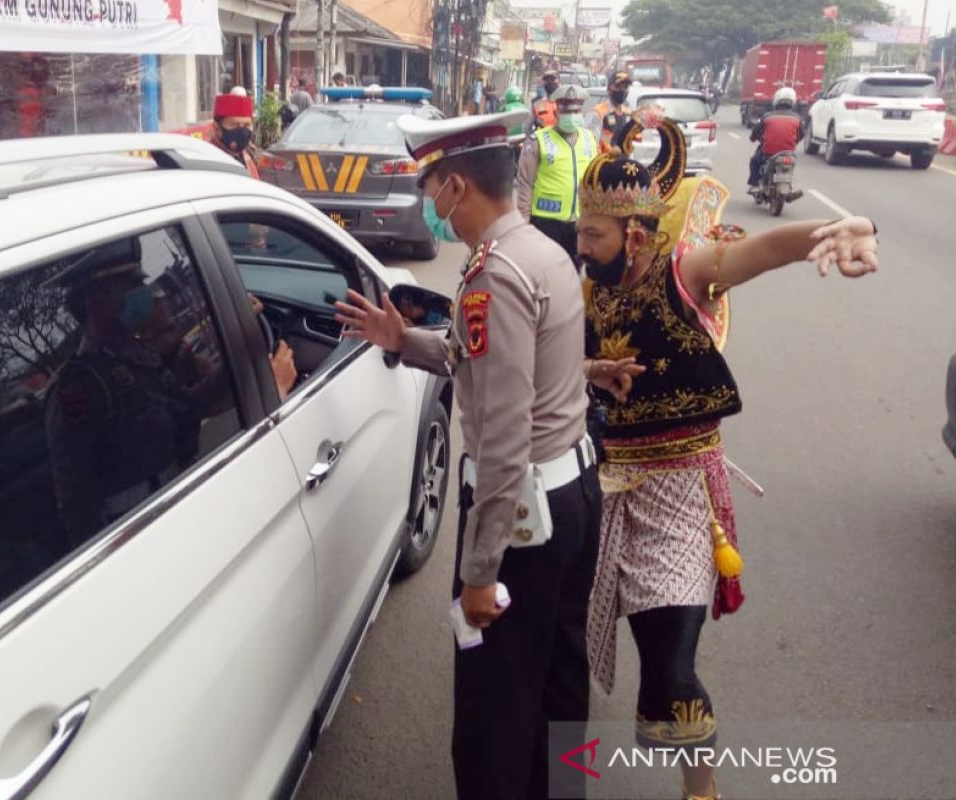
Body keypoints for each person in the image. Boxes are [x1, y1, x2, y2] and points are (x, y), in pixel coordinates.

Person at [576, 109, 879, 800]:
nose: (581, 245)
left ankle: (700, 787)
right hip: (606, 484)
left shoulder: (687, 270)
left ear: (636, 232)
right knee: (573, 633)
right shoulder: (589, 289)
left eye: (592, 233)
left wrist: (826, 232)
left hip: (681, 496)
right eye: (580, 231)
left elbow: (760, 252)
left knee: (670, 667)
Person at [334, 109, 627, 800]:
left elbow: (500, 444)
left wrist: (477, 573)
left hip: (524, 520)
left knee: (494, 714)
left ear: (457, 187)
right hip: (572, 497)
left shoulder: (493, 276)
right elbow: (493, 363)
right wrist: (403, 340)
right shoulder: (541, 251)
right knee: (558, 685)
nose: (426, 202)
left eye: (429, 185)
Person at [44, 241, 204, 545]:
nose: (145, 292)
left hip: (179, 505)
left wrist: (244, 354)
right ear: (96, 302)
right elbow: (77, 503)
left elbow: (188, 407)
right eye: (132, 284)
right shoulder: (79, 384)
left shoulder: (137, 354)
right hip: (137, 537)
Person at [516, 84, 598, 260]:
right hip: (546, 222)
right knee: (544, 273)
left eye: (576, 111)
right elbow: (525, 184)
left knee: (573, 274)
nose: (571, 116)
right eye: (566, 111)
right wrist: (523, 224)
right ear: (557, 113)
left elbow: (594, 181)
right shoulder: (538, 140)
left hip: (579, 223)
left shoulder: (589, 139)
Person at [748, 86, 803, 192]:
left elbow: (756, 132)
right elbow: (801, 135)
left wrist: (753, 138)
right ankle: (789, 185)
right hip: (788, 153)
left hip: (768, 153)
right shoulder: (797, 118)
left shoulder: (767, 116)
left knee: (754, 161)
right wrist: (793, 142)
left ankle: (755, 184)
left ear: (776, 100)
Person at [210, 92, 260, 179]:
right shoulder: (208, 160)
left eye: (247, 125)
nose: (242, 131)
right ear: (217, 128)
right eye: (234, 125)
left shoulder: (247, 156)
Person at [585, 70, 632, 151]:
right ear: (609, 89)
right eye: (618, 86)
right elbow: (590, 145)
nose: (622, 90)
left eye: (625, 87)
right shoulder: (597, 112)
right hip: (605, 161)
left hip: (624, 161)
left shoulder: (628, 112)